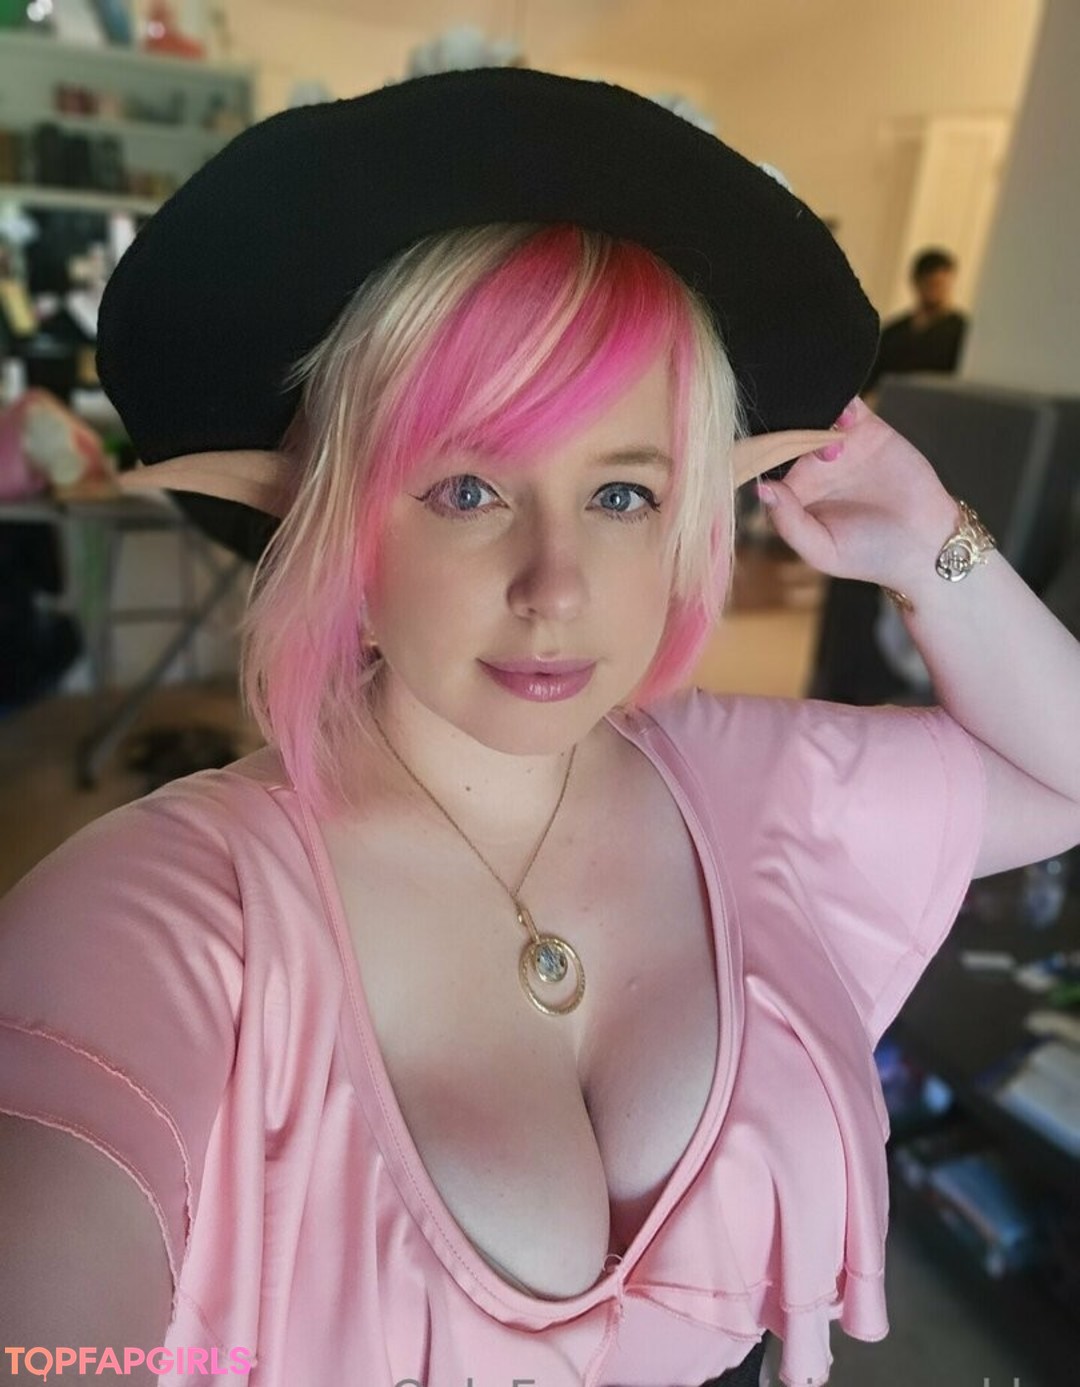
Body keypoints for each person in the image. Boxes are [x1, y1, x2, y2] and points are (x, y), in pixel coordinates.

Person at [1, 69, 1079, 1387]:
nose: (557, 586)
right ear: (338, 524)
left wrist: (931, 546)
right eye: (468, 488)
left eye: (623, 494)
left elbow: (1063, 777)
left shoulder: (742, 779)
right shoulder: (168, 912)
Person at [862, 246, 969, 396]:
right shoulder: (894, 332)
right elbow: (872, 379)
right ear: (916, 282)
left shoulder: (962, 332)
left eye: (940, 285)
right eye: (930, 284)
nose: (936, 291)